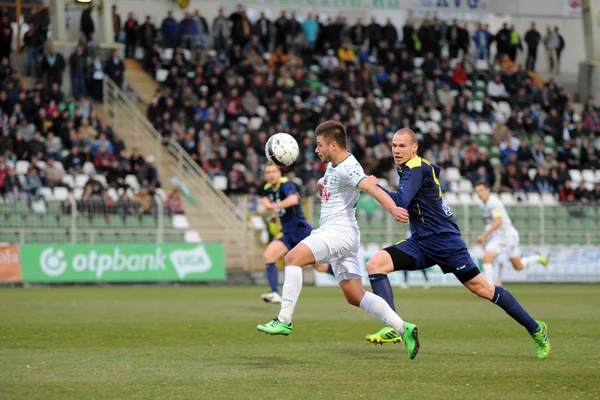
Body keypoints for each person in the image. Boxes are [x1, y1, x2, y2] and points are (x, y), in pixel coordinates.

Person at [364, 128, 551, 360]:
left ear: (415, 148)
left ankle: (535, 328)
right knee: (375, 265)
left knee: (483, 289)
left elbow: (401, 202)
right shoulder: (414, 169)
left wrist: (372, 186)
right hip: (421, 242)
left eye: (402, 146)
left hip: (445, 242)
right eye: (393, 145)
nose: (396, 150)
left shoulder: (415, 168)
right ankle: (393, 324)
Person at [257, 121, 412, 357]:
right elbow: (332, 184)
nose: (316, 150)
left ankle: (284, 319)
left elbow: (372, 189)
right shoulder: (335, 164)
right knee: (354, 295)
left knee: (292, 258)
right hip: (346, 234)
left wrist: (393, 210)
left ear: (333, 144)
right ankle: (402, 327)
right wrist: (322, 186)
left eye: (319, 145)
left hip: (337, 231)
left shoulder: (348, 167)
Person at [257, 162, 333, 304]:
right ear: (265, 175)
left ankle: (346, 275)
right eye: (268, 172)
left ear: (279, 173)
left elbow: (293, 199)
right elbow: (281, 204)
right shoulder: (268, 188)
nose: (271, 175)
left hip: (301, 231)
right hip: (286, 233)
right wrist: (275, 213)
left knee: (320, 267)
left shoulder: (286, 183)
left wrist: (271, 206)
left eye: (274, 171)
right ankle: (275, 293)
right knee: (269, 256)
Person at [474, 181, 548, 284]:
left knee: (518, 266)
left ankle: (537, 258)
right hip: (497, 237)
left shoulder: (493, 203)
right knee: (486, 259)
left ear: (487, 190)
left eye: (481, 190)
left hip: (509, 237)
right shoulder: (483, 204)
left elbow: (498, 222)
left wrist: (483, 236)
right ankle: (490, 288)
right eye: (477, 191)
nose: (479, 194)